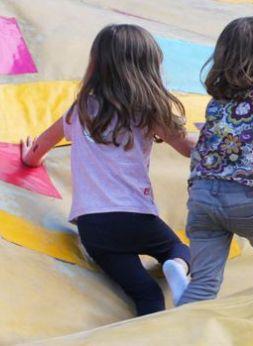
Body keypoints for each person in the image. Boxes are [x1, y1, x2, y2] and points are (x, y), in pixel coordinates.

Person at [20, 24, 195, 316]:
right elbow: (189, 147)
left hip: (95, 227)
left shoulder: (80, 111)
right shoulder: (148, 111)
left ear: (96, 64)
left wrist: (29, 157)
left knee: (146, 293)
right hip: (137, 217)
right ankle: (177, 266)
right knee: (181, 250)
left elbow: (41, 146)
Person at [178, 16, 253, 305]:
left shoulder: (218, 100)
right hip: (246, 197)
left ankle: (178, 331)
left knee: (203, 283)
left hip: (203, 198)